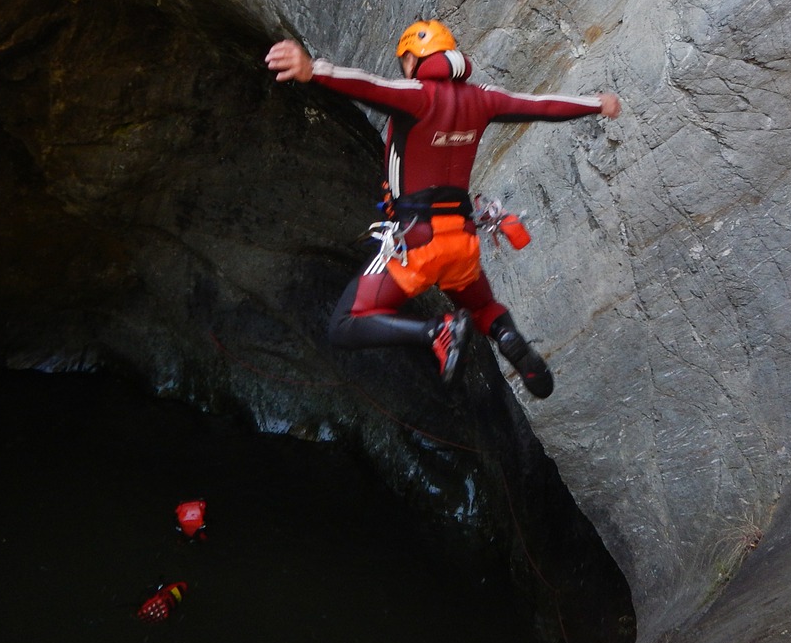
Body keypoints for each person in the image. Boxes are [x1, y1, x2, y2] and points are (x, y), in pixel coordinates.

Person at [266, 20, 621, 398]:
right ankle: (506, 334)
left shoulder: (418, 95)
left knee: (344, 323)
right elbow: (538, 105)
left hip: (416, 243)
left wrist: (313, 70)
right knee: (483, 307)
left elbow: (369, 85)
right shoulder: (482, 99)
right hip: (461, 242)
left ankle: (437, 331)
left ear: (411, 59)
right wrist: (597, 103)